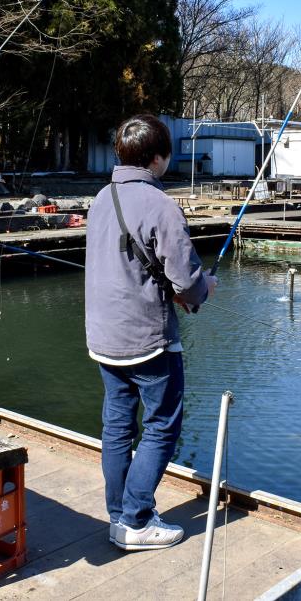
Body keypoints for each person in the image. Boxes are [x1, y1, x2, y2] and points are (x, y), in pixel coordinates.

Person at [85, 114, 216, 551]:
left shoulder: (101, 198)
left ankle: (119, 515)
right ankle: (136, 519)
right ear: (158, 158)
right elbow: (187, 283)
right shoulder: (163, 206)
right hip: (147, 339)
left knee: (118, 427)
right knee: (162, 425)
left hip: (103, 337)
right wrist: (206, 287)